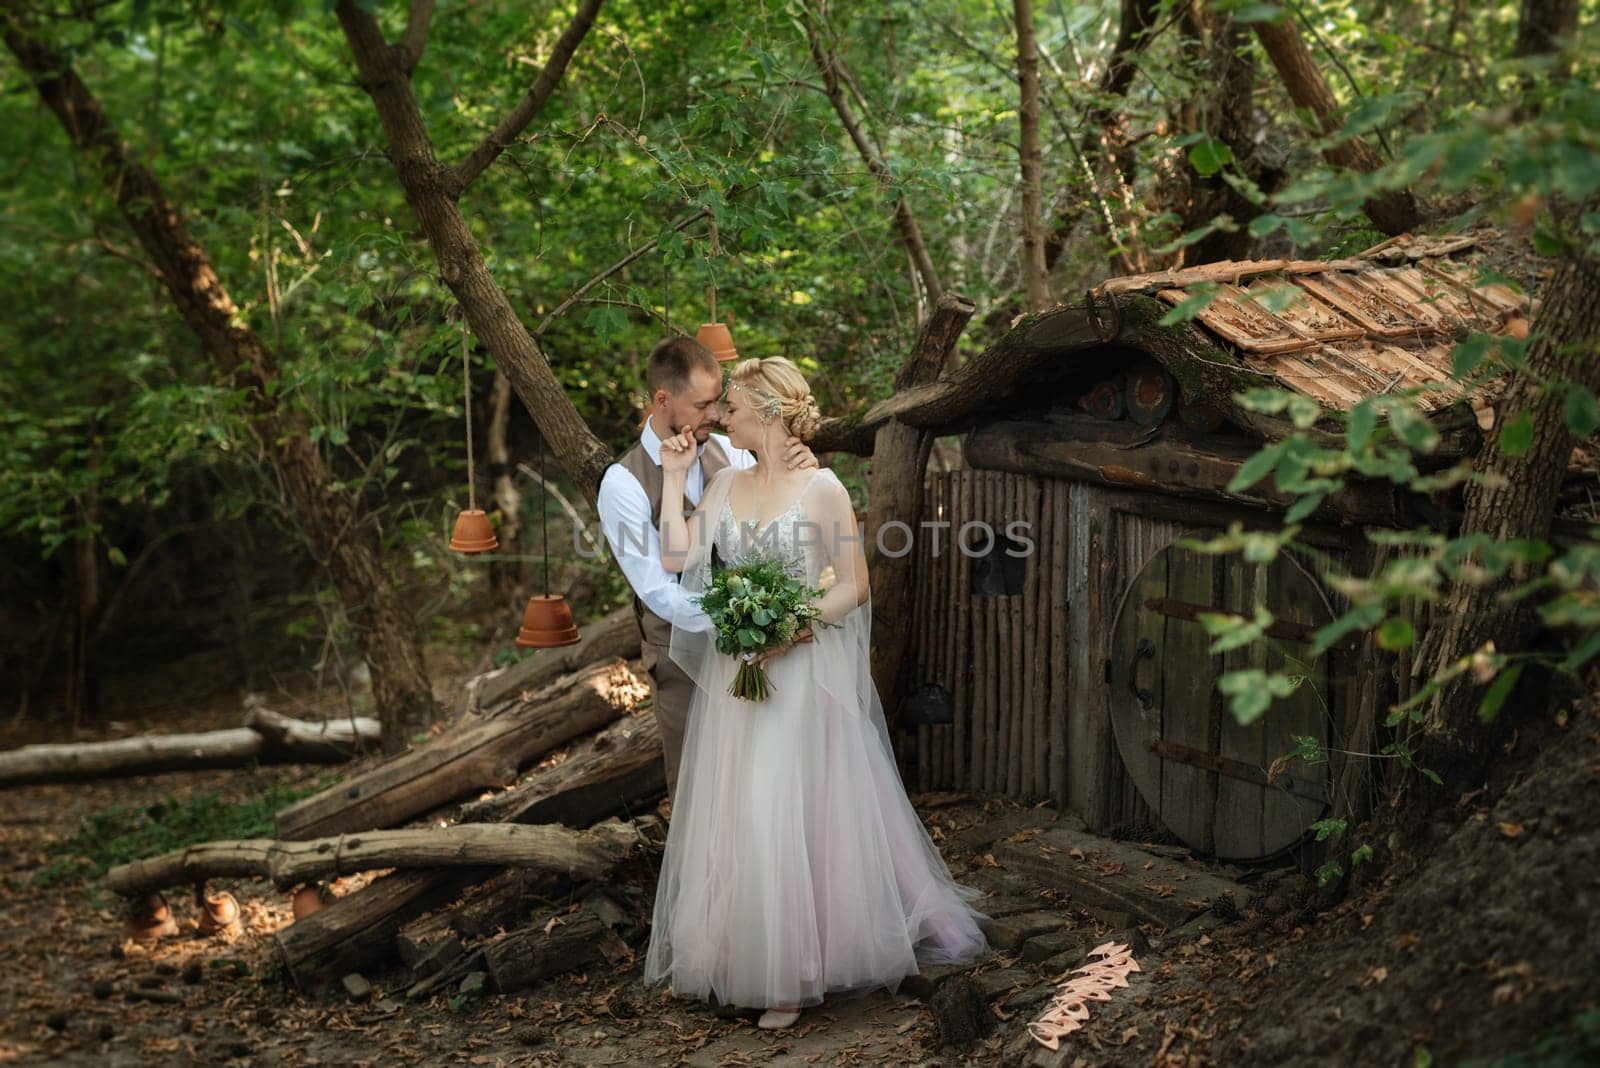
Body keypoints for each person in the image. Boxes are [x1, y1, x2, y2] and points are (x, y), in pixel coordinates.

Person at [643, 356, 989, 1030]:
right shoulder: (720, 486)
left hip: (798, 676)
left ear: (767, 412)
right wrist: (676, 478)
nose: (720, 419)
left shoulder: (822, 487)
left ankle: (791, 978)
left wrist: (793, 625)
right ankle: (741, 957)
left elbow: (855, 582)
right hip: (739, 678)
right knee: (743, 816)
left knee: (785, 812)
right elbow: (677, 559)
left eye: (731, 409)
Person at [596, 336, 816, 801]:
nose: (715, 414)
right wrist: (733, 620)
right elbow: (656, 588)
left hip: (761, 645)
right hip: (682, 656)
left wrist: (803, 468)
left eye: (719, 402)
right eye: (703, 404)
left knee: (759, 780)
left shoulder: (733, 453)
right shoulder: (623, 483)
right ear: (663, 400)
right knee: (699, 788)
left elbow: (779, 516)